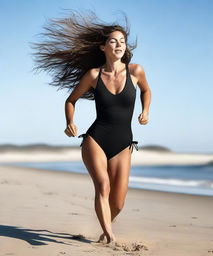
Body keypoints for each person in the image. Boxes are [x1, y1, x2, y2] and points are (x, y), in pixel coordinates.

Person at [31, 10, 151, 245]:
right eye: (113, 41)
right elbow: (70, 100)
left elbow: (147, 90)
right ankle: (108, 234)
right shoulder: (94, 75)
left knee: (118, 202)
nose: (118, 45)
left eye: (122, 42)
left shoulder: (136, 71)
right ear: (103, 47)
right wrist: (69, 122)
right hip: (96, 139)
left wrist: (145, 111)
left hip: (123, 143)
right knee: (103, 186)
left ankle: (106, 224)